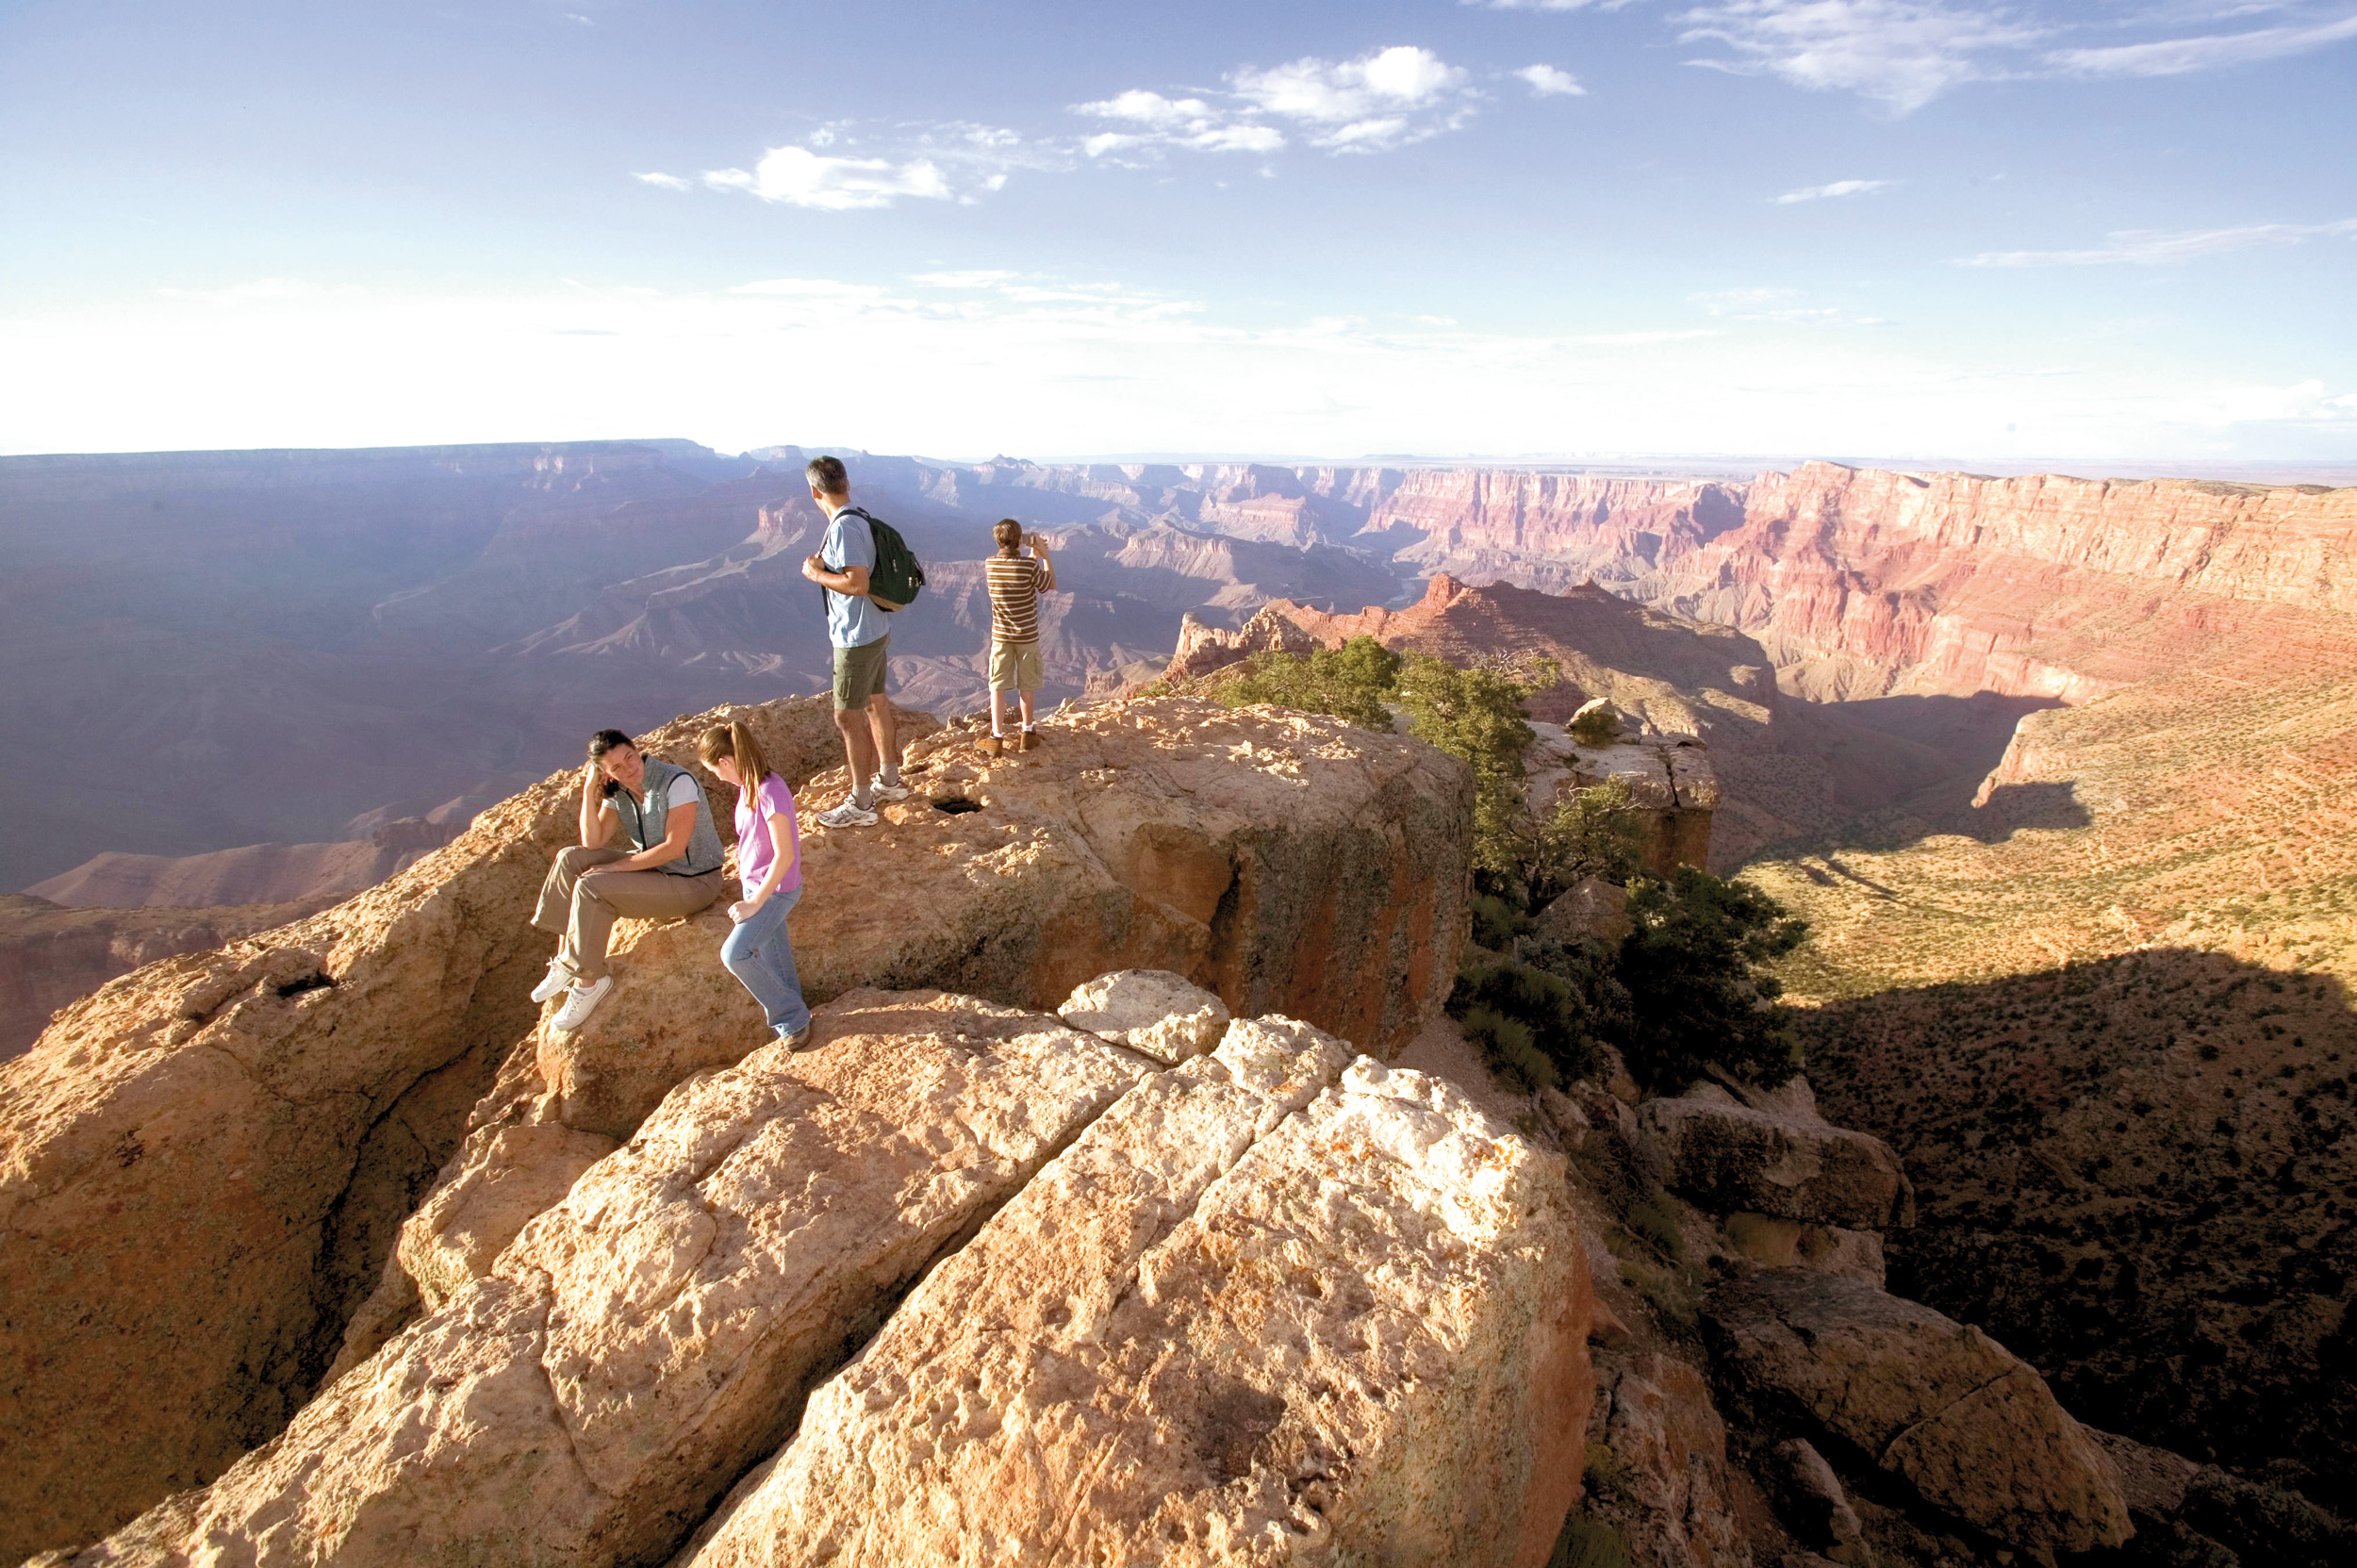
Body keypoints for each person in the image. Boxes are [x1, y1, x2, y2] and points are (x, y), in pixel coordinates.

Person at [529, 729, 727, 1031]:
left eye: (630, 758)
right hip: (655, 872)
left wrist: (617, 868)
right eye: (616, 767)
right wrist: (588, 789)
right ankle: (567, 960)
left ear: (637, 750)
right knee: (570, 858)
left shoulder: (676, 782)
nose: (629, 768)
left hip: (695, 881)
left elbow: (674, 847)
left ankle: (589, 983)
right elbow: (592, 842)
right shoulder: (619, 790)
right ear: (605, 773)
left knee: (591, 887)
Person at [798, 454, 905, 827]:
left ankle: (861, 803)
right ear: (845, 483)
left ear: (814, 491)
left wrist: (816, 574)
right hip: (874, 629)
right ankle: (889, 780)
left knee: (846, 715)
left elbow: (857, 583)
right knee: (875, 703)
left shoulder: (844, 528)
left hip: (855, 637)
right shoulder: (859, 515)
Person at [699, 721, 811, 1048]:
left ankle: (791, 1017)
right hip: (757, 888)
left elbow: (785, 855)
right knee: (776, 956)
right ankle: (797, 1016)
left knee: (735, 954)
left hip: (775, 891)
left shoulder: (770, 790)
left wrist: (755, 902)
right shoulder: (749, 787)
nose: (716, 777)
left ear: (725, 762)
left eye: (714, 770)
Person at [981, 518, 1054, 756]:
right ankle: (1027, 733)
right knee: (1027, 685)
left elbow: (1016, 574)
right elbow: (1047, 585)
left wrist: (1028, 555)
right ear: (1019, 541)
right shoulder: (1029, 567)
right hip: (1027, 636)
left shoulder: (990, 564)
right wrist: (1044, 556)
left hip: (1001, 637)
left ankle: (996, 737)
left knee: (998, 686)